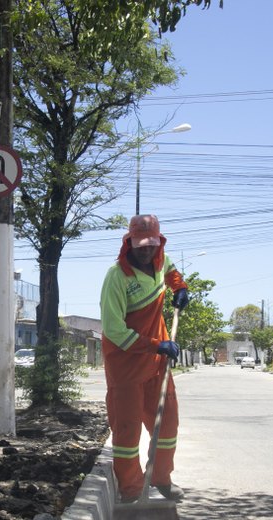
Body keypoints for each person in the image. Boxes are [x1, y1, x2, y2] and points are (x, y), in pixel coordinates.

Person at [100, 214, 189, 503]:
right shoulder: (117, 277)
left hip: (156, 362)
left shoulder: (162, 260)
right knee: (127, 433)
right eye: (140, 245)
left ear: (159, 242)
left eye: (151, 244)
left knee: (167, 424)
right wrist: (155, 345)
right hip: (125, 365)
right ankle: (131, 490)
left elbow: (172, 272)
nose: (146, 250)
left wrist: (181, 288)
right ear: (129, 243)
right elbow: (113, 329)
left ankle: (161, 478)